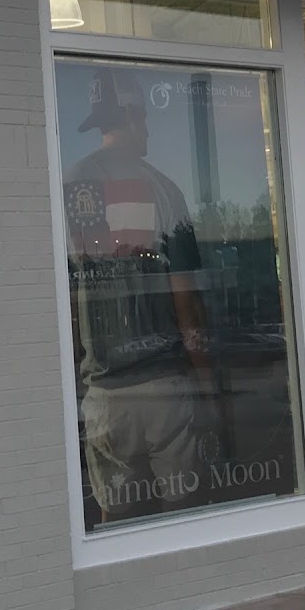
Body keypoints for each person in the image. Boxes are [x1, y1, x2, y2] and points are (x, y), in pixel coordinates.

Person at [63, 73, 217, 522]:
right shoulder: (165, 190)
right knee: (183, 509)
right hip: (163, 383)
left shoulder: (72, 184)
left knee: (116, 517)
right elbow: (185, 300)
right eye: (145, 119)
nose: (147, 130)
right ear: (132, 117)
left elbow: (66, 295)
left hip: (104, 388)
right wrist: (208, 383)